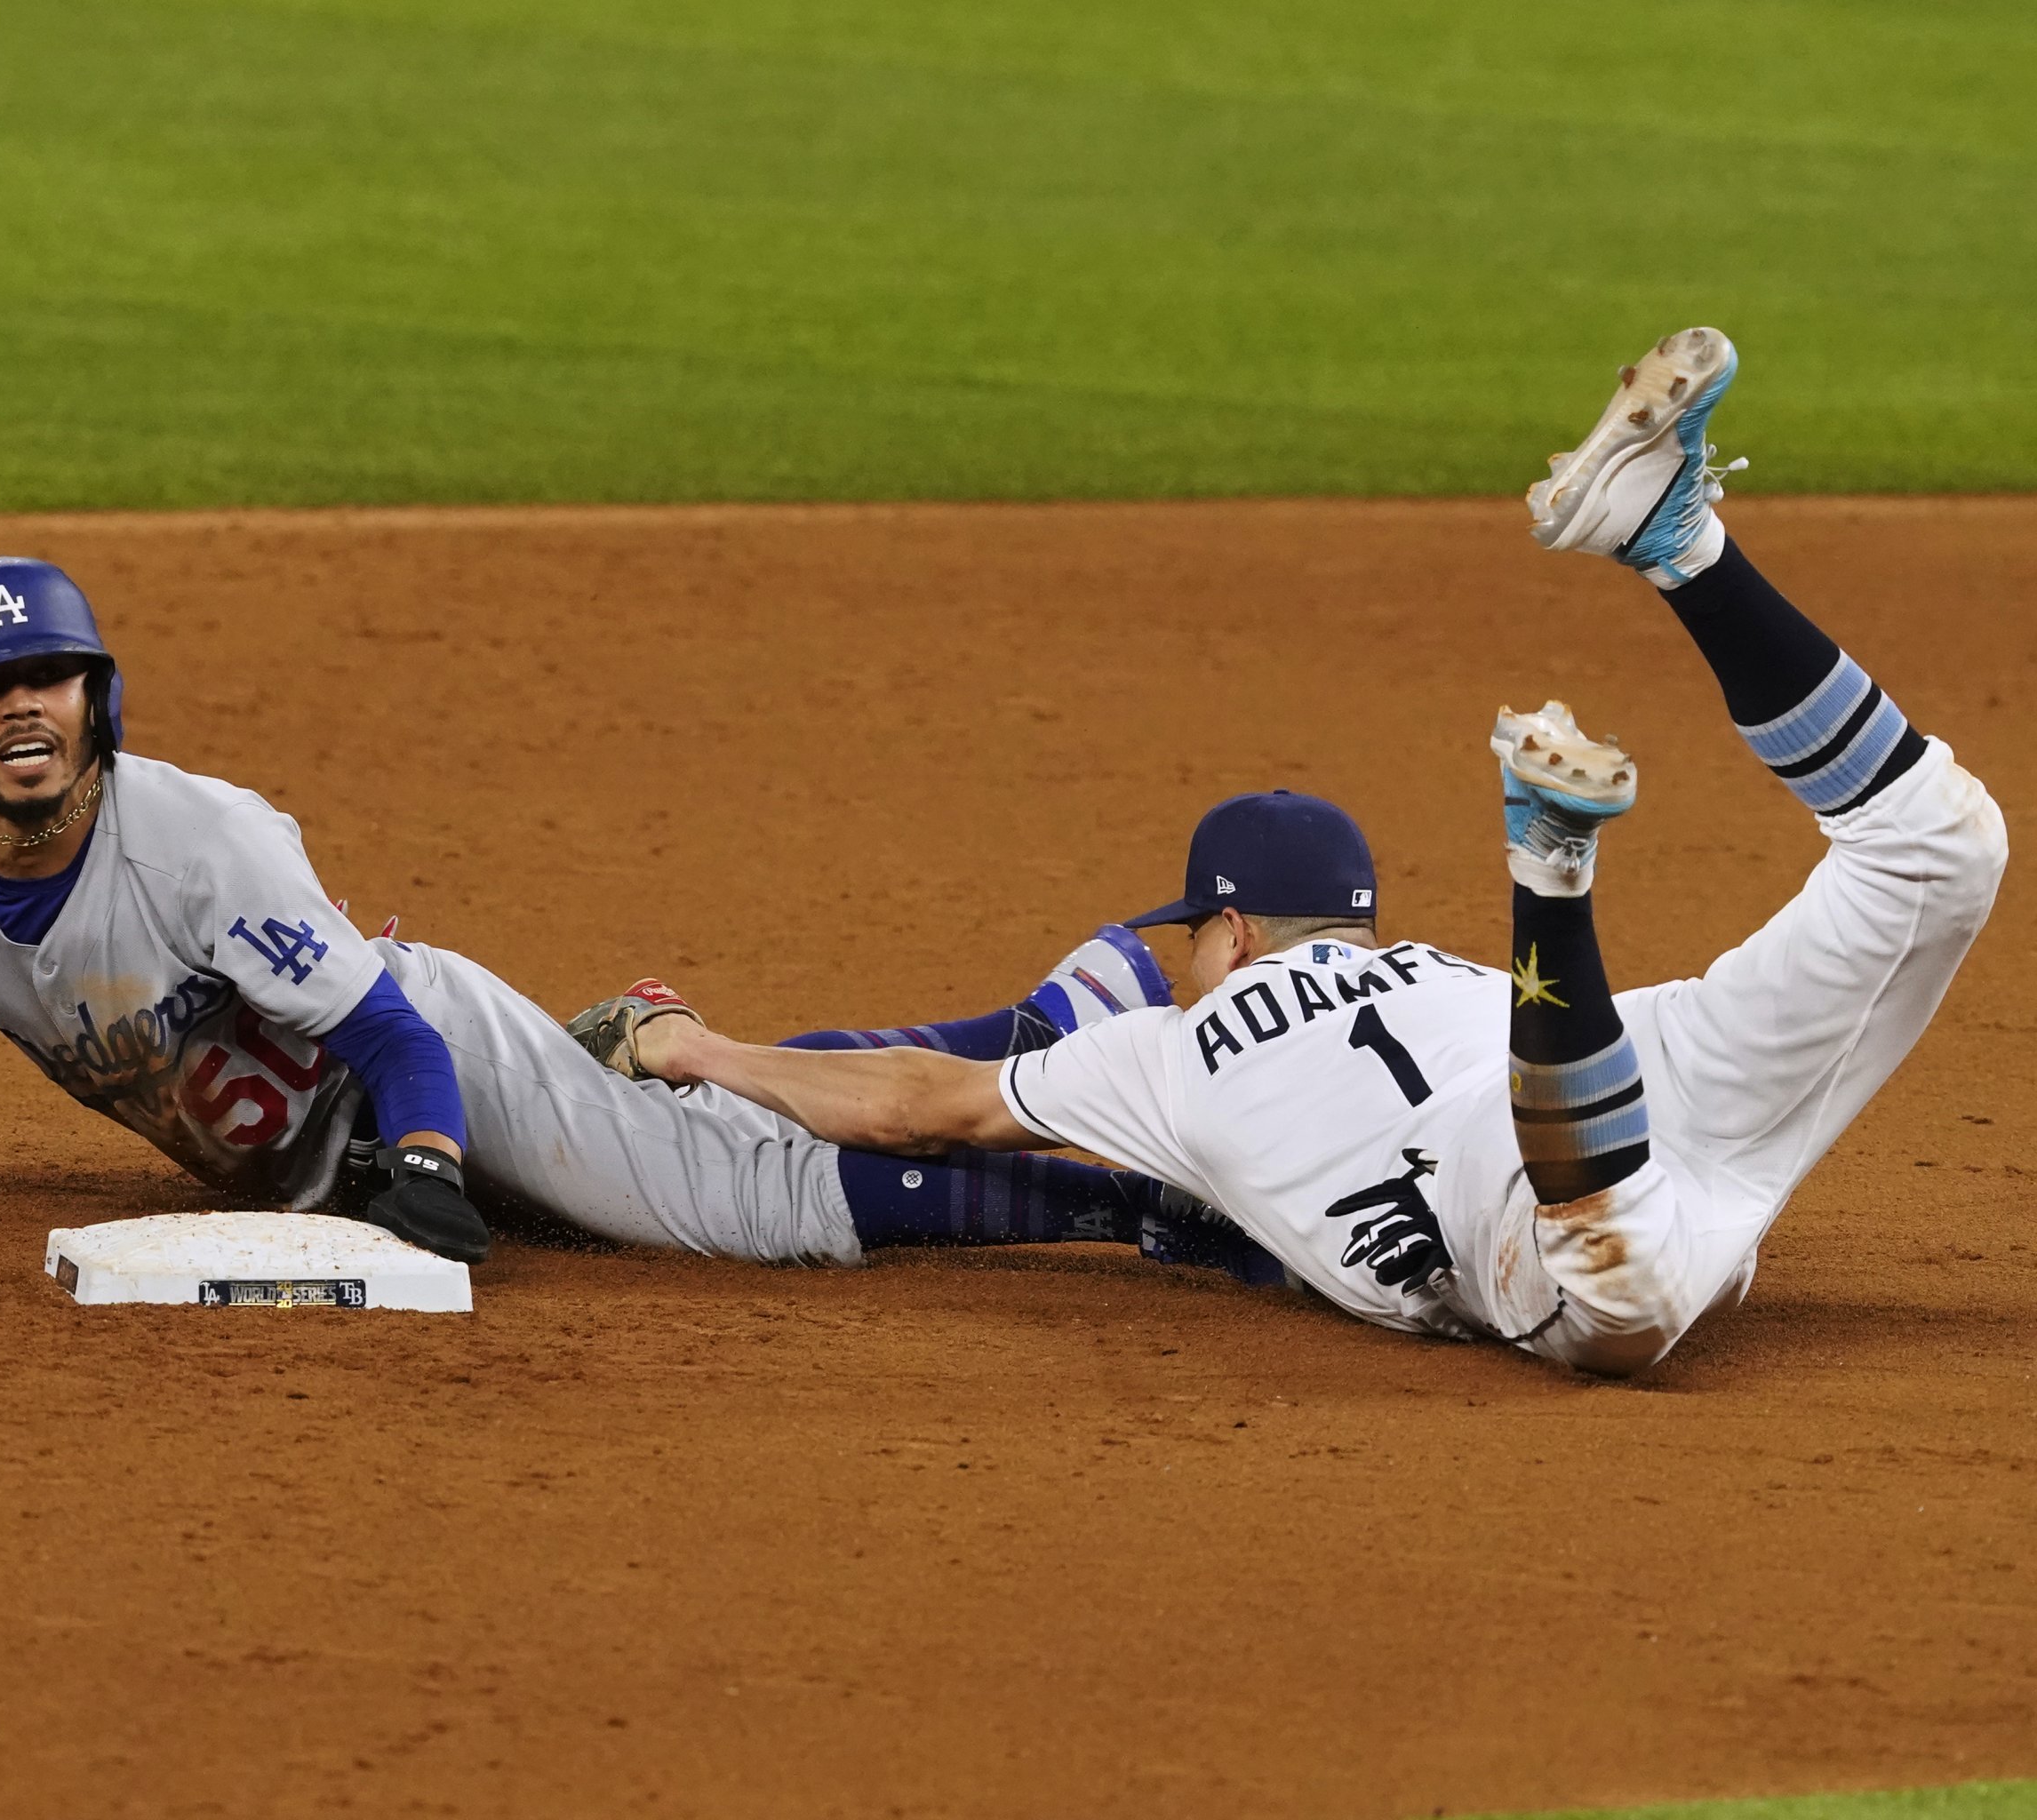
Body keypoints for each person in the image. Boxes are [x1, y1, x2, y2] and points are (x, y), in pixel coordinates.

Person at [595, 329, 2006, 1374]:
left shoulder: (1157, 1052)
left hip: (1534, 1186)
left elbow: (920, 1101)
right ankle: (1681, 547)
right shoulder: (1416, 970)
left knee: (1617, 1297)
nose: (1176, 962)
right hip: (1648, 1057)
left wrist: (704, 1053)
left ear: (1240, 936)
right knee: (1941, 846)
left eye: (1186, 936)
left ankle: (1554, 873)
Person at [0, 558, 1275, 1284]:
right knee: (708, 1122)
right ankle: (1117, 985)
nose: (22, 710)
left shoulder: (195, 840)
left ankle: (1151, 1187)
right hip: (348, 1146)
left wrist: (428, 1159)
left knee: (753, 1203)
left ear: (98, 699)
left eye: (51, 677)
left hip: (436, 1075)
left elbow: (389, 1033)